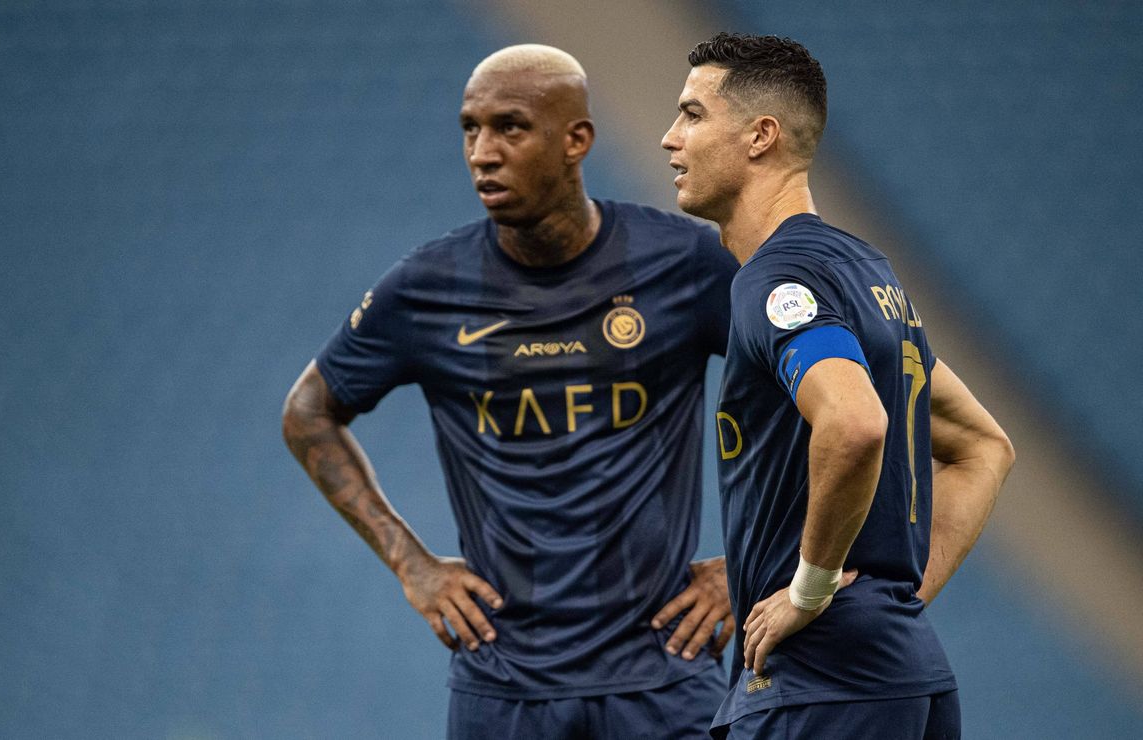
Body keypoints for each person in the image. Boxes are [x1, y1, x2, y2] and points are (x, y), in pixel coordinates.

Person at [282, 44, 740, 739]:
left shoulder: (685, 263)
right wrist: (411, 563)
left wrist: (754, 566)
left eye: (510, 128)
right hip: (504, 687)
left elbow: (826, 404)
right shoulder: (428, 287)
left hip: (664, 676)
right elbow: (308, 412)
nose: (482, 153)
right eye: (471, 129)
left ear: (576, 141)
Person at [661, 33, 1016, 738]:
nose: (671, 138)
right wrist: (888, 605)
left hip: (819, 685)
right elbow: (983, 446)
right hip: (900, 670)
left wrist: (813, 590)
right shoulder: (865, 272)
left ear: (760, 136)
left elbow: (854, 423)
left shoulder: (777, 278)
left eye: (693, 114)